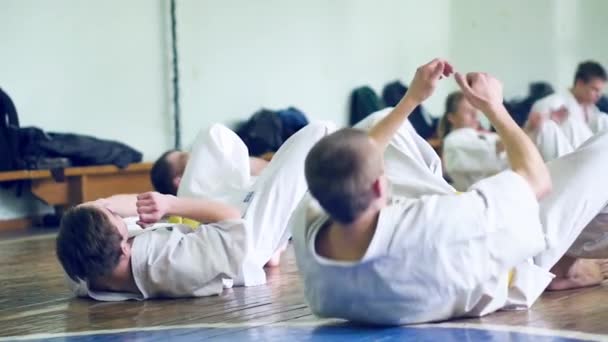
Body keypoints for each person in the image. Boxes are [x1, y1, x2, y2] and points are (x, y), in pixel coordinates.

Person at [291, 58, 608, 325]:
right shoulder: (436, 225)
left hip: (437, 249)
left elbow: (361, 154)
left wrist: (412, 99)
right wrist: (493, 106)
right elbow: (537, 180)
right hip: (516, 255)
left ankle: (571, 258)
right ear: (378, 185)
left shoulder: (308, 234)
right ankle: (564, 264)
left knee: (379, 121)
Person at [56, 121, 334, 301]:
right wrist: (170, 203)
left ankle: (257, 191)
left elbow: (97, 214)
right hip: (244, 241)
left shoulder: (89, 271)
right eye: (118, 222)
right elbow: (230, 220)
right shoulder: (170, 264)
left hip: (206, 228)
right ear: (124, 247)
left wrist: (105, 208)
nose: (121, 218)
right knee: (320, 133)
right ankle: (274, 236)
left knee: (213, 136)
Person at [526, 61, 608, 159]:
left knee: (602, 118)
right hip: (561, 163)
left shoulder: (593, 110)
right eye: (595, 89)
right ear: (580, 83)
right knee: (566, 123)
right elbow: (539, 138)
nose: (599, 95)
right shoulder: (551, 103)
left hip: (590, 161)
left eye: (600, 91)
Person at [438, 91, 508, 190]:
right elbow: (498, 147)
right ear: (452, 118)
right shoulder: (453, 141)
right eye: (468, 111)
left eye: (475, 110)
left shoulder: (484, 135)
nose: (475, 115)